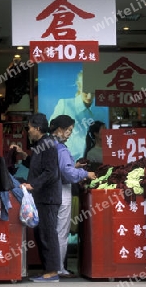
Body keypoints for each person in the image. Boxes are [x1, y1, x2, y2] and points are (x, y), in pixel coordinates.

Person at [12, 113, 62, 283]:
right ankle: (47, 270)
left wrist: (33, 185)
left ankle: (53, 271)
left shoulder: (47, 144)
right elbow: (36, 164)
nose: (28, 131)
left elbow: (51, 172)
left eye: (29, 128)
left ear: (37, 128)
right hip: (41, 197)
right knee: (42, 233)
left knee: (48, 234)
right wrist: (23, 155)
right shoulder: (42, 144)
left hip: (48, 198)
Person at [49, 115, 96, 278]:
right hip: (62, 192)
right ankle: (59, 267)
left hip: (51, 193)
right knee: (61, 232)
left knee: (54, 231)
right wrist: (85, 173)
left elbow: (61, 168)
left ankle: (54, 266)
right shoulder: (61, 148)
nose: (69, 133)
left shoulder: (48, 144)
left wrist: (74, 166)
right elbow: (67, 173)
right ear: (60, 130)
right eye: (68, 130)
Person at [49, 70, 109, 162]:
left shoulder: (101, 112)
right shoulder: (65, 105)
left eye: (93, 92)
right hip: (67, 160)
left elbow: (105, 137)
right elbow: (51, 132)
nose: (89, 96)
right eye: (86, 91)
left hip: (93, 160)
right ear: (79, 86)